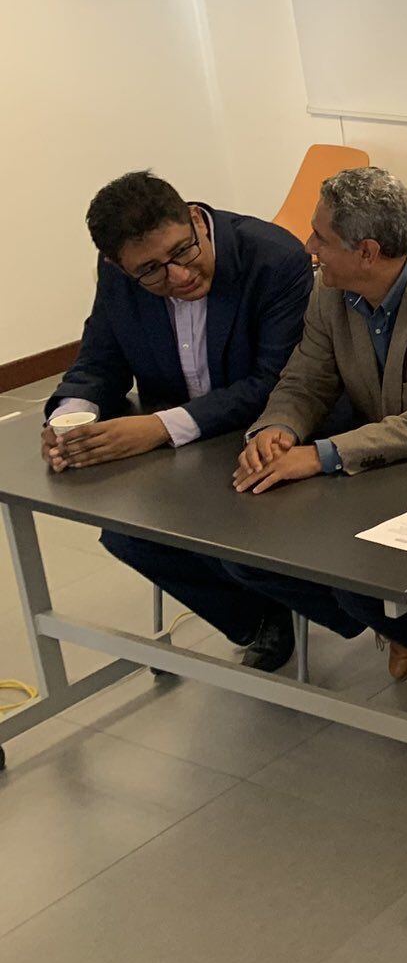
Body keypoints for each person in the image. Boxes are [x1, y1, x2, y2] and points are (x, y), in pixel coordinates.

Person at [221, 167, 407, 662]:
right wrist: (278, 429)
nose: (308, 245)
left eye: (322, 238)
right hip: (371, 465)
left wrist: (319, 456)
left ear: (366, 252)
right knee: (245, 554)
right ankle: (403, 627)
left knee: (353, 584)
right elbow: (307, 376)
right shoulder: (329, 289)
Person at [43, 171, 314, 670]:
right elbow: (99, 361)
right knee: (126, 533)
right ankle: (257, 621)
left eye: (183, 252)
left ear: (195, 220)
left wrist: (158, 427)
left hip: (266, 435)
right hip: (182, 449)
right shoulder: (119, 278)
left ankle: (288, 605)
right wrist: (72, 420)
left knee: (228, 538)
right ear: (117, 266)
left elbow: (275, 383)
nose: (179, 276)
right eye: (151, 272)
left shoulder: (274, 259)